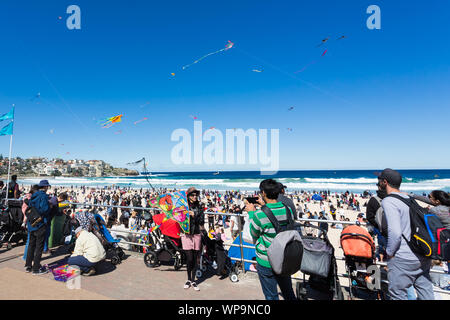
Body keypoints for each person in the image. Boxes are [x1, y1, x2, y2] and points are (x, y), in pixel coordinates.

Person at [377, 168, 434, 300]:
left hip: (403, 257)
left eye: (379, 181)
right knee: (426, 293)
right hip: (422, 254)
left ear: (385, 182)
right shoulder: (408, 197)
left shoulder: (389, 201)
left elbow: (395, 232)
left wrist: (390, 253)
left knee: (398, 295)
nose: (378, 183)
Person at [247, 179, 296, 300]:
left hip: (266, 260)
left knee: (271, 296)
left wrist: (251, 214)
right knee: (288, 292)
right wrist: (264, 206)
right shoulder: (287, 209)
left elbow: (254, 233)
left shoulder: (260, 215)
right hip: (284, 257)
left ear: (263, 193)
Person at [24, 180, 51, 275]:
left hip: (32, 224)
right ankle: (36, 268)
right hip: (40, 223)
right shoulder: (43, 196)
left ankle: (28, 265)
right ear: (46, 187)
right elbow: (44, 209)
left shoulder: (33, 195)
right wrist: (50, 207)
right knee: (39, 246)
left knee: (31, 245)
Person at [182, 187, 205, 291]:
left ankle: (193, 280)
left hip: (196, 234)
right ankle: (188, 279)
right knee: (189, 258)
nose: (195, 197)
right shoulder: (183, 207)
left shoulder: (199, 207)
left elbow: (201, 221)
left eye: (196, 195)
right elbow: (179, 219)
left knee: (195, 259)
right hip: (186, 234)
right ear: (188, 196)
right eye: (192, 195)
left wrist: (194, 215)